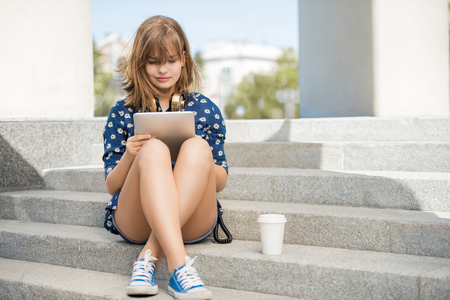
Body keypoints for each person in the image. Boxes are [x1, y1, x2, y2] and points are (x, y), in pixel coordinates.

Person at [101, 15, 228, 300]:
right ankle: (180, 268)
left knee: (197, 147)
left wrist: (198, 150)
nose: (162, 69)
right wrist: (131, 156)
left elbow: (220, 181)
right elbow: (112, 185)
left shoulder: (205, 109)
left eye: (170, 60)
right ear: (140, 63)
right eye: (153, 61)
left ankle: (148, 257)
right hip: (136, 218)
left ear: (183, 59)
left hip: (193, 217)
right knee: (153, 148)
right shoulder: (122, 112)